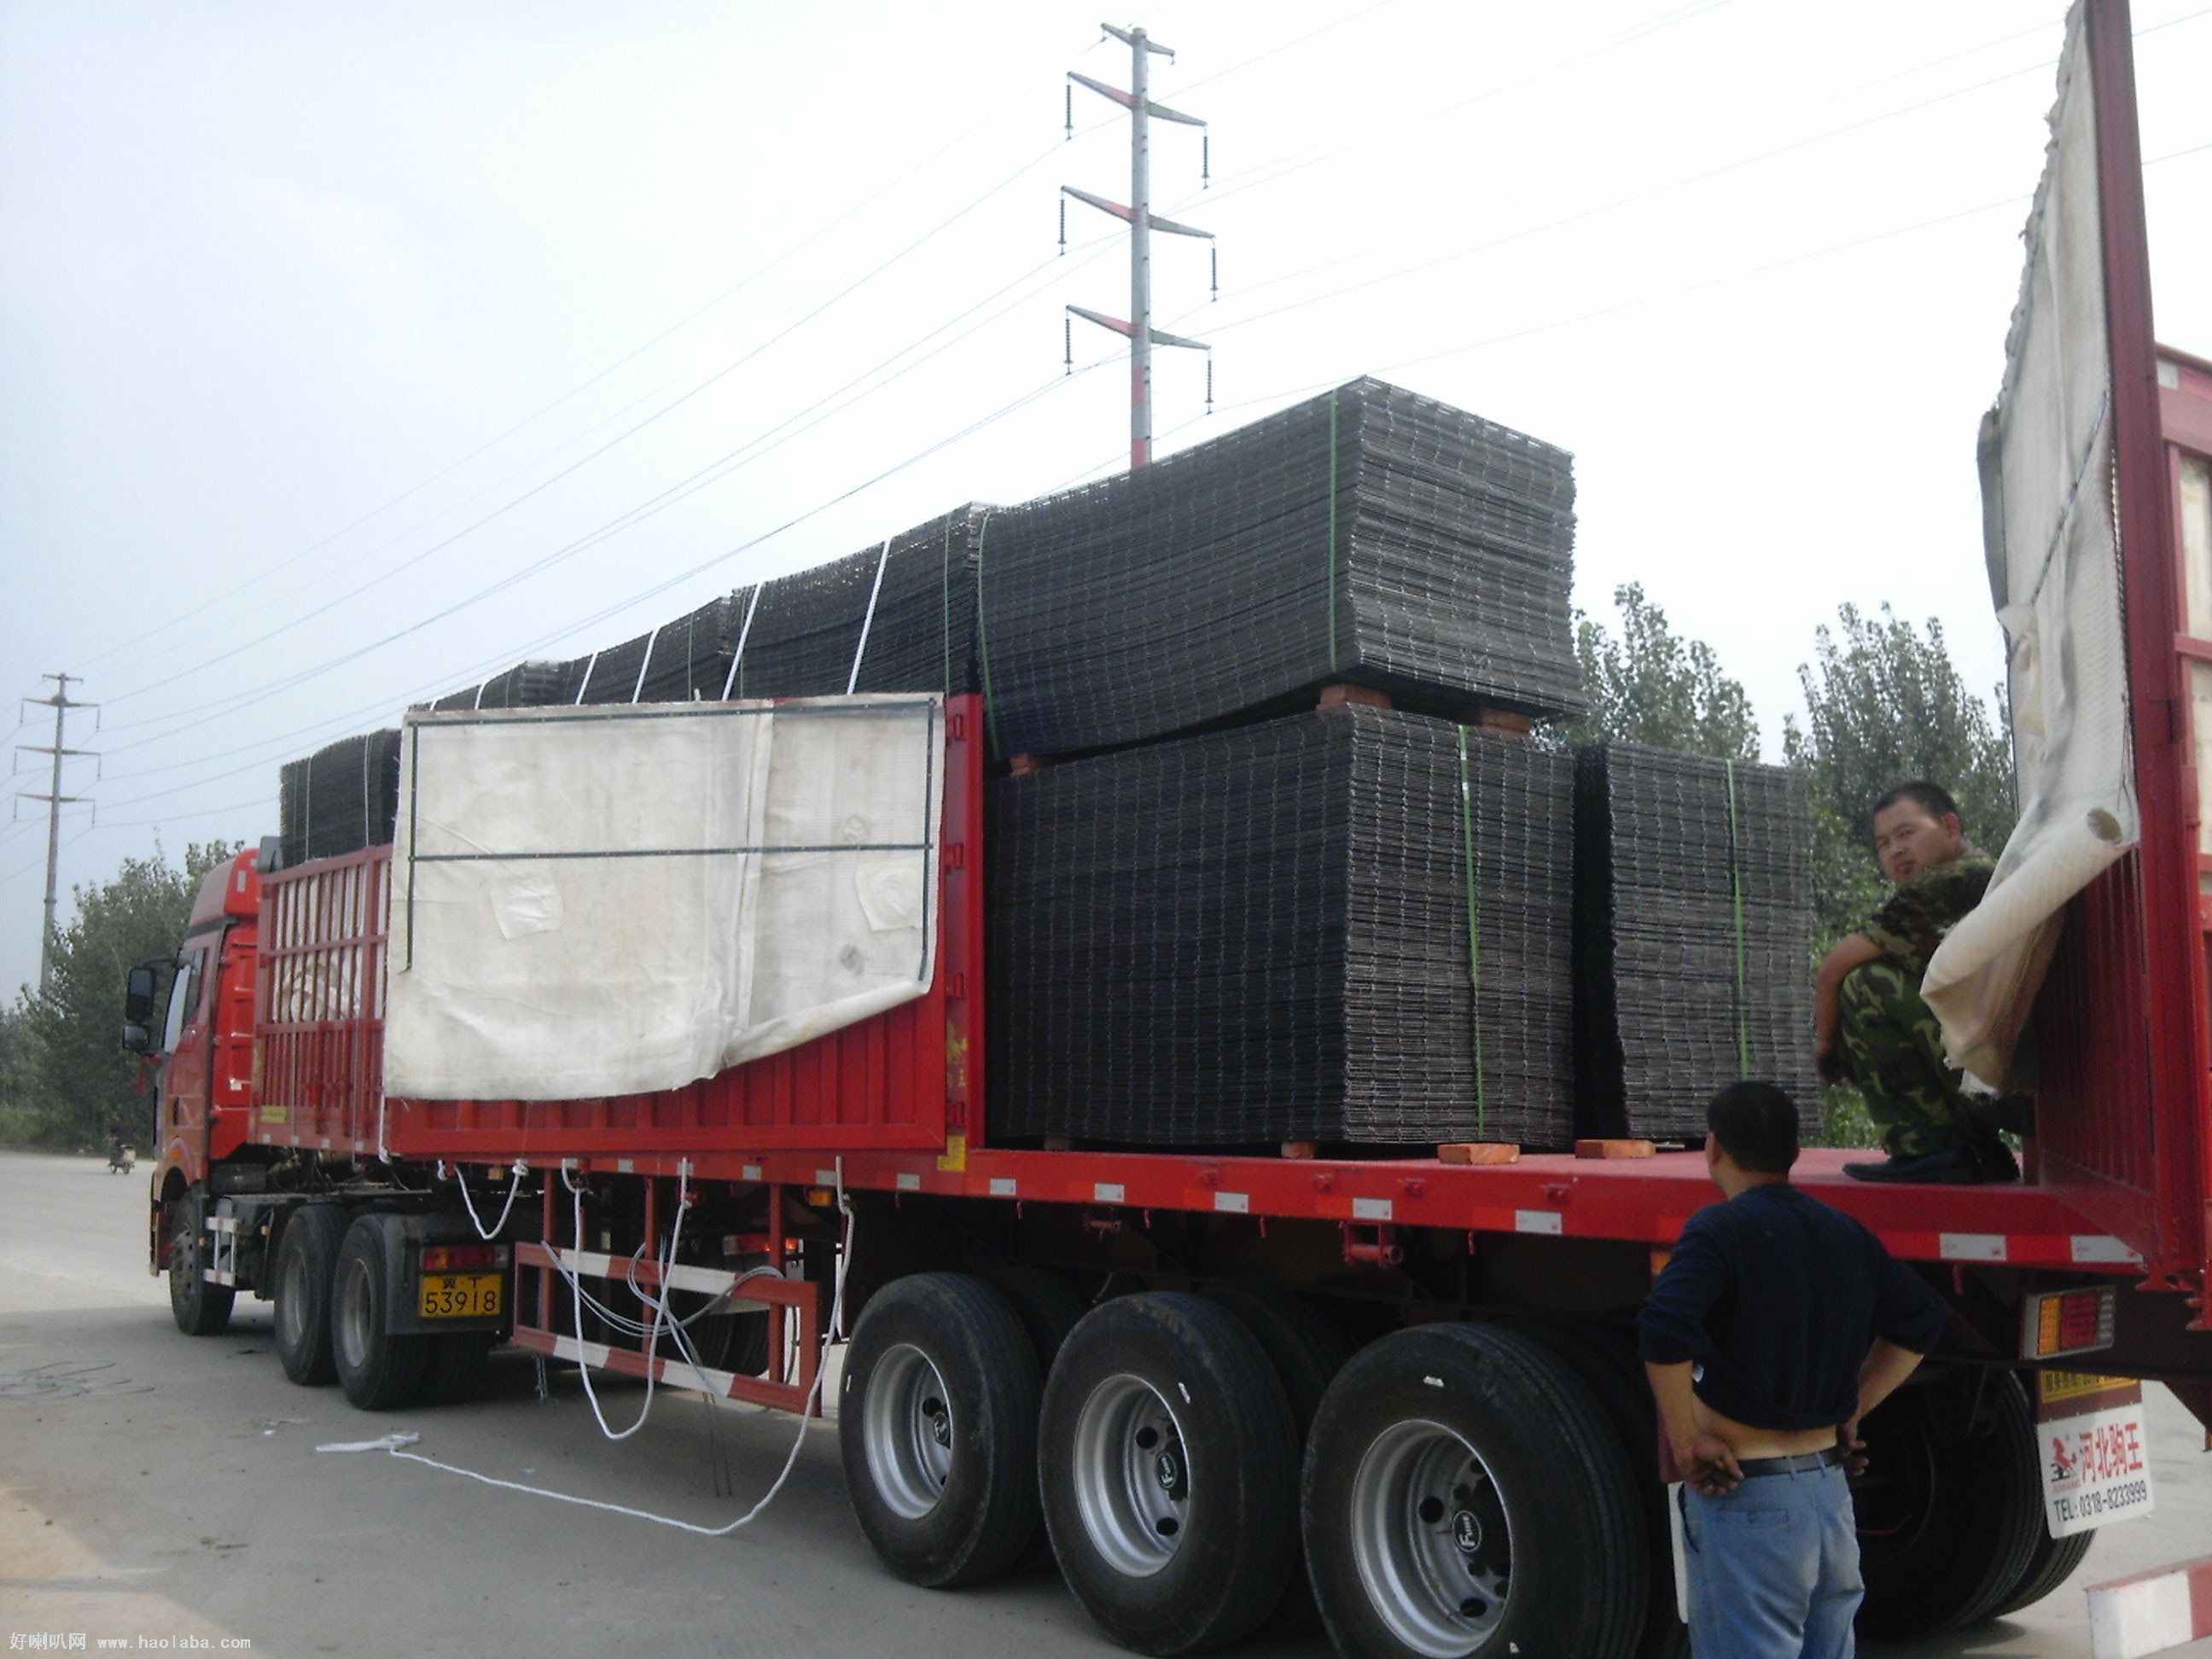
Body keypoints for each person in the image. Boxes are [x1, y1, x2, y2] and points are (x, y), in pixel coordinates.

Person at [1641, 1081, 1950, 1659]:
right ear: (1795, 1152)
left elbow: (1663, 1331)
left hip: (1750, 1505)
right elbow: (1921, 1323)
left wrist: (1686, 1442)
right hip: (1828, 1501)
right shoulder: (1843, 1231)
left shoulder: (1717, 1229)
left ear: (1714, 1147)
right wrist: (1854, 1406)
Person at [1813, 781, 2018, 1185]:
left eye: (1906, 833)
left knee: (1865, 985)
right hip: (2008, 1076)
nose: (1896, 851)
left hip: (2004, 1081)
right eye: (1884, 843)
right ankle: (1977, 1149)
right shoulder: (1976, 873)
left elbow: (1831, 970)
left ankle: (1928, 1149)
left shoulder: (1954, 881)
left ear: (1950, 827)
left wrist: (1825, 1047)